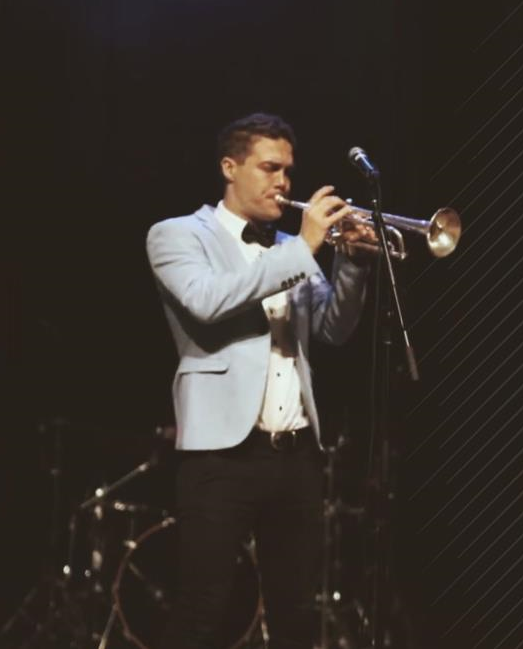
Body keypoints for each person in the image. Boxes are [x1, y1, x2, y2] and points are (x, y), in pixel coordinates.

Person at [146, 112, 371, 648]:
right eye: (270, 168)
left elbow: (333, 330)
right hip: (220, 456)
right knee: (203, 611)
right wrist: (305, 248)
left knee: (296, 617)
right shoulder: (177, 234)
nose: (284, 183)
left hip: (296, 456)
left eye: (288, 171)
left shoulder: (289, 248)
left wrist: (353, 265)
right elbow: (207, 301)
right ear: (230, 168)